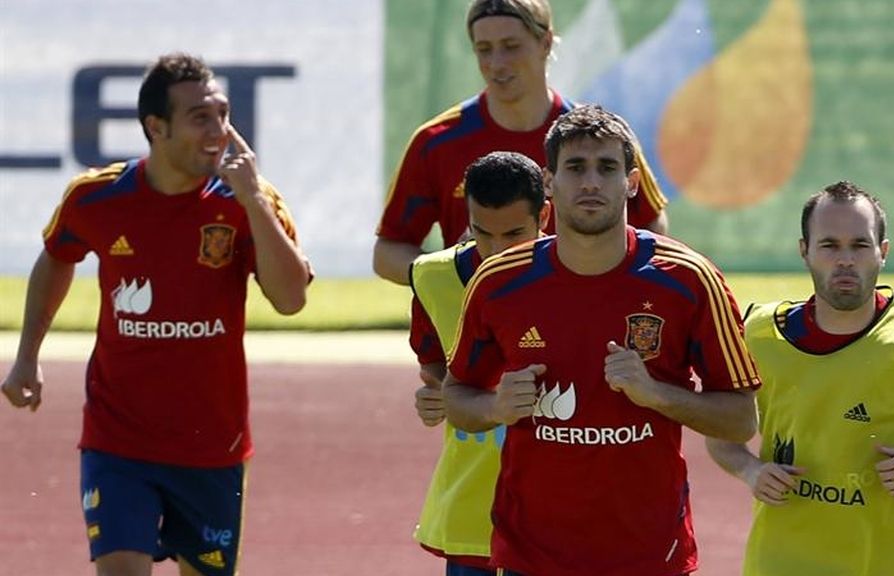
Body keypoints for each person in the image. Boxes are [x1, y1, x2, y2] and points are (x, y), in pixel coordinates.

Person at [1, 53, 311, 576]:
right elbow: (57, 255)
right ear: (156, 127)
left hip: (213, 448)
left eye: (222, 114)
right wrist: (27, 355)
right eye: (200, 118)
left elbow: (290, 299)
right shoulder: (96, 197)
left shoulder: (250, 202)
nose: (218, 131)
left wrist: (253, 200)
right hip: (117, 440)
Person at [442, 104, 760, 576]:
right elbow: (456, 396)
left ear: (631, 182)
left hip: (648, 558)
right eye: (575, 167)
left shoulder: (690, 280)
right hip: (532, 558)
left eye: (607, 168)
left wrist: (658, 395)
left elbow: (740, 420)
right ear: (548, 182)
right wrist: (494, 407)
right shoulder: (498, 281)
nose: (591, 182)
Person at [705, 181, 894, 576]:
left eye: (860, 245)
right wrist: (749, 470)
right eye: (829, 245)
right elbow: (721, 432)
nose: (845, 260)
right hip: (780, 562)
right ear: (804, 251)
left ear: (883, 252)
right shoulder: (758, 334)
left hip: (889, 564)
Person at [373, 0, 669, 285]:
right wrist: (450, 273)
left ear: (546, 43)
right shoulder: (436, 141)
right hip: (474, 318)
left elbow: (652, 224)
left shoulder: (599, 137)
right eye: (484, 49)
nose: (496, 63)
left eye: (511, 46)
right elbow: (388, 252)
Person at [410, 151, 550, 575]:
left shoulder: (580, 276)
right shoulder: (432, 277)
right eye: (482, 232)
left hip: (561, 518)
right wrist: (436, 396)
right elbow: (435, 368)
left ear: (544, 217)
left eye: (514, 234)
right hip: (473, 515)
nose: (497, 250)